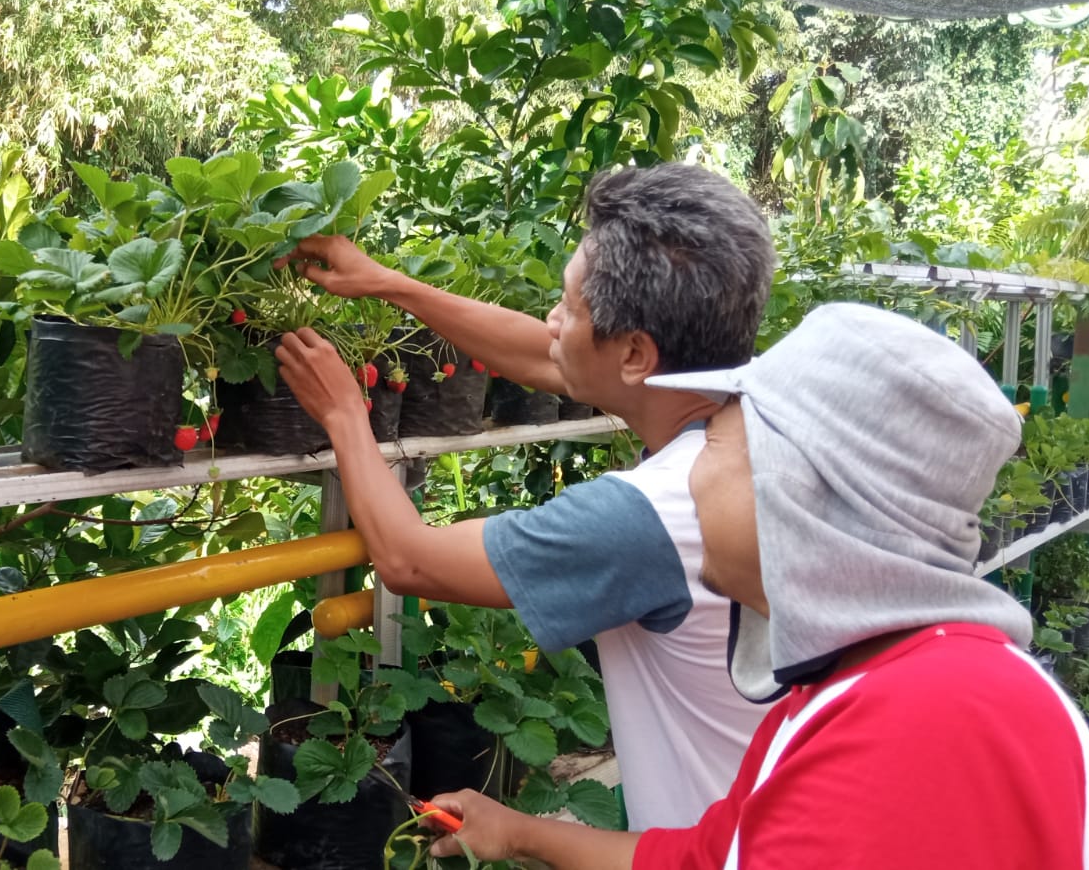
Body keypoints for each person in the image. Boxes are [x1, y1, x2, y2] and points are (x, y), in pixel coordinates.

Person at [422, 303, 1089, 868]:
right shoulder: (898, 688)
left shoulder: (893, 740)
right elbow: (709, 854)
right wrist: (516, 831)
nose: (688, 474)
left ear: (792, 488)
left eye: (712, 439)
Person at [273, 164, 776, 829]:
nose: (551, 319)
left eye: (569, 306)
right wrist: (389, 284)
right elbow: (547, 356)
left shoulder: (651, 518)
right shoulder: (760, 411)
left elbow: (409, 560)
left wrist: (343, 414)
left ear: (635, 355)